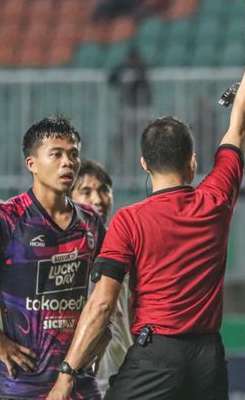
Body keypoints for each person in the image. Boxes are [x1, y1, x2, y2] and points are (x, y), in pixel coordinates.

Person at [45, 15, 245, 400]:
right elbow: (240, 123)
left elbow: (103, 303)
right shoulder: (216, 198)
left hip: (157, 356)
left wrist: (66, 375)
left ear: (143, 164)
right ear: (193, 162)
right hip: (208, 357)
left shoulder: (128, 221)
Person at [0, 116, 106, 399]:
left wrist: (105, 331)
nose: (68, 162)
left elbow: (109, 288)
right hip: (22, 384)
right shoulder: (5, 219)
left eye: (73, 154)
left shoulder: (90, 221)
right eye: (57, 154)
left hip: (77, 382)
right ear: (32, 164)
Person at [71, 160, 133, 395]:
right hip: (80, 383)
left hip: (124, 380)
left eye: (104, 190)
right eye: (86, 192)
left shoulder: (125, 248)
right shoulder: (58, 253)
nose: (97, 199)